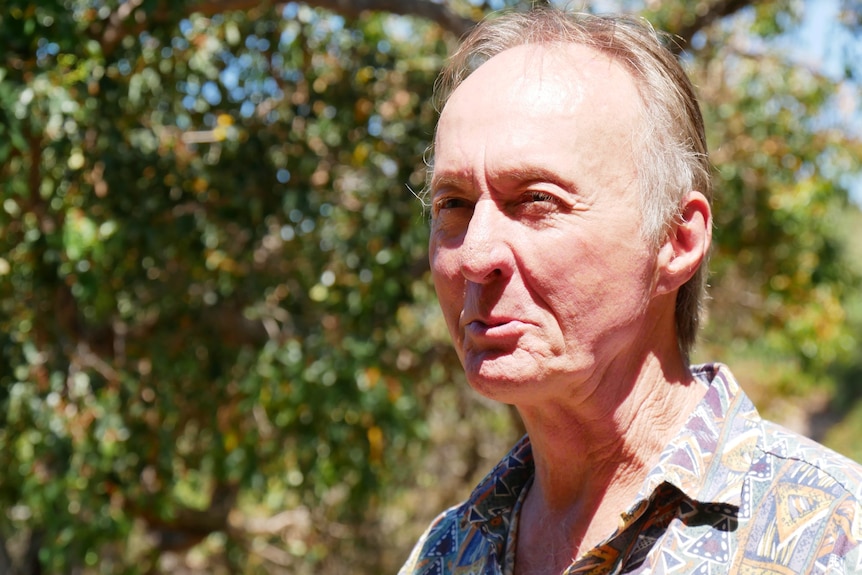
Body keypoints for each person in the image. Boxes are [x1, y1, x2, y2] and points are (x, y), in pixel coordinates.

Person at [399, 7, 862, 575]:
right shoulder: (444, 552)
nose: (474, 256)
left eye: (537, 200)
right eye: (454, 205)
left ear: (676, 240)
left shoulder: (833, 540)